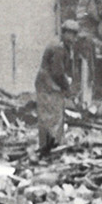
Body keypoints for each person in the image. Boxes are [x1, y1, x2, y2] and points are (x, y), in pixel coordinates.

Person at [35, 20, 79, 156]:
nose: (73, 38)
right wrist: (68, 89)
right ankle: (51, 147)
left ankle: (48, 146)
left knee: (49, 116)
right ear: (65, 33)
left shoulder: (63, 46)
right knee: (53, 116)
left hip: (47, 84)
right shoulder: (59, 48)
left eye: (74, 35)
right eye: (71, 34)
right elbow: (58, 73)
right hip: (49, 85)